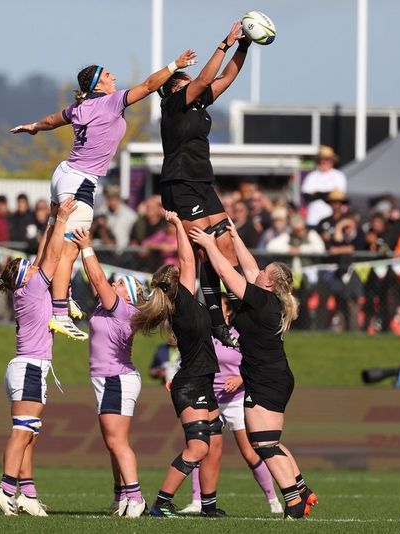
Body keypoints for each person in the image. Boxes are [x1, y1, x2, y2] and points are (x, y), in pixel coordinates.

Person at [10, 48, 198, 342]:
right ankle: (59, 313)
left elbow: (50, 121)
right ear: (98, 84)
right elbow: (150, 86)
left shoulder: (79, 107)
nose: (114, 77)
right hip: (80, 180)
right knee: (69, 250)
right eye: (108, 74)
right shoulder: (111, 102)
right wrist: (175, 65)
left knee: (53, 235)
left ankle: (60, 295)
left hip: (64, 174)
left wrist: (33, 127)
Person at [190, 217, 318, 519]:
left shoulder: (261, 300)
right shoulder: (267, 298)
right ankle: (301, 490)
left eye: (264, 272)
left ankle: (293, 503)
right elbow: (248, 269)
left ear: (269, 283)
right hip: (274, 376)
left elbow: (226, 273)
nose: (258, 272)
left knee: (262, 443)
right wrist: (235, 237)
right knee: (270, 441)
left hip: (265, 379)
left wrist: (209, 245)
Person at [157, 21, 249, 348]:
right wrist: (223, 44)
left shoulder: (198, 103)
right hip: (180, 181)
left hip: (202, 180)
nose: (190, 81)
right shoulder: (173, 104)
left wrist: (244, 46)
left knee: (223, 245)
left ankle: (227, 312)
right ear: (171, 88)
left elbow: (226, 78)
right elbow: (207, 77)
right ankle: (208, 319)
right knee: (199, 249)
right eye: (184, 80)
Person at [131, 211, 225, 519]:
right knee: (198, 447)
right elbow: (187, 261)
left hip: (202, 380)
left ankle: (209, 506)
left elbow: (187, 264)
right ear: (177, 285)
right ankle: (161, 503)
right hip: (191, 384)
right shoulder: (183, 303)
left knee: (213, 445)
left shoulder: (185, 304)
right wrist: (177, 226)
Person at [0, 198, 77, 517]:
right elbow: (52, 256)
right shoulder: (31, 290)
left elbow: (43, 255)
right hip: (29, 366)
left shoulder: (27, 289)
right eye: (32, 269)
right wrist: (65, 220)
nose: (38, 267)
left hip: (28, 366)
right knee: (22, 432)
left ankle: (27, 493)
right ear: (25, 277)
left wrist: (52, 220)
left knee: (29, 434)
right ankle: (6, 488)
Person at [176, 296, 282, 515]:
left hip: (235, 401)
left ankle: (273, 500)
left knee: (251, 452)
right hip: (208, 398)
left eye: (217, 308)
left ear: (228, 312)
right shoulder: (203, 333)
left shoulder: (238, 335)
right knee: (199, 448)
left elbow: (255, 363)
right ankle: (197, 501)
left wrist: (240, 379)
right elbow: (191, 360)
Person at [69, 227, 147, 517]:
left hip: (116, 378)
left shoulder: (122, 309)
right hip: (108, 379)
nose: (111, 285)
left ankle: (136, 498)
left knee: (117, 441)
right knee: (112, 442)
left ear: (126, 293)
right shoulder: (108, 305)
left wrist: (87, 246)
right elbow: (96, 281)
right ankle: (122, 497)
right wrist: (79, 249)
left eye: (118, 284)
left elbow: (99, 278)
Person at [301, 146, 347, 228]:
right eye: (322, 159)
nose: (324, 161)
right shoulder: (312, 176)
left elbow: (337, 196)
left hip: (330, 219)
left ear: (332, 160)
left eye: (327, 159)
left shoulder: (338, 176)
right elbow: (307, 196)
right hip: (313, 219)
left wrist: (317, 194)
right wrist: (326, 193)